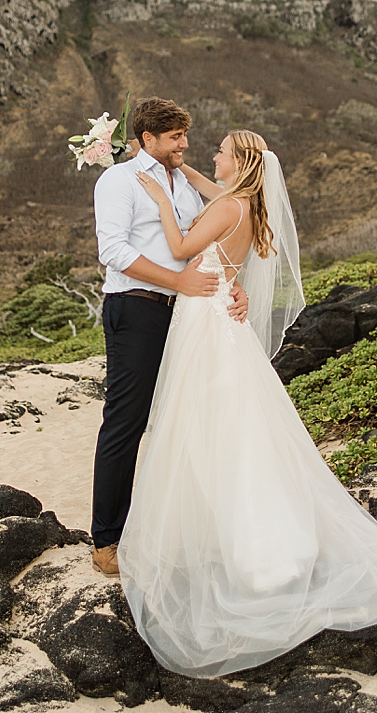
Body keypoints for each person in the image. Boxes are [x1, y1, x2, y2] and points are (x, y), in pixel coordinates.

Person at [119, 129, 377, 678]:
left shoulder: (227, 207)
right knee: (235, 429)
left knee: (211, 429)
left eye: (219, 151)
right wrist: (174, 174)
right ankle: (239, 535)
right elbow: (210, 200)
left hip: (206, 319)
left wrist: (157, 200)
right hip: (219, 312)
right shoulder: (243, 205)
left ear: (239, 162)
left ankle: (255, 550)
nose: (209, 156)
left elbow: (180, 250)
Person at [90, 98, 249, 577]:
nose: (185, 144)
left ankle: (165, 528)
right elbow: (112, 250)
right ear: (147, 140)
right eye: (176, 137)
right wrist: (176, 282)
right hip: (135, 308)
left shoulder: (182, 182)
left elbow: (198, 249)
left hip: (185, 314)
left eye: (186, 134)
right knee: (127, 421)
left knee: (180, 420)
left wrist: (230, 286)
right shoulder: (118, 181)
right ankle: (107, 541)